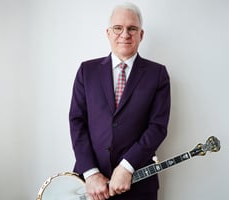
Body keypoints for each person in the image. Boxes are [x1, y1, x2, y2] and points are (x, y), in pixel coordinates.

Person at [69, 2, 171, 200]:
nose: (125, 34)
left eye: (132, 28)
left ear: (141, 35)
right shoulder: (86, 71)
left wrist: (127, 166)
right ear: (108, 32)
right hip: (90, 187)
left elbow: (157, 127)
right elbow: (76, 122)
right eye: (118, 28)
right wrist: (91, 173)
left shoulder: (157, 74)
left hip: (139, 183)